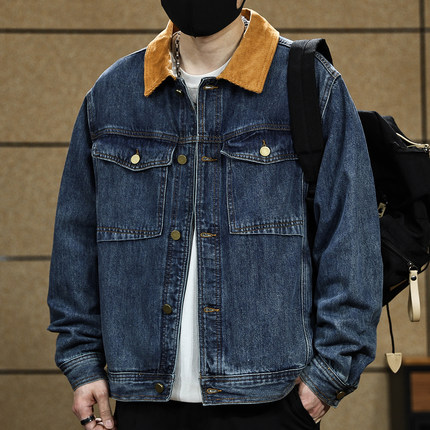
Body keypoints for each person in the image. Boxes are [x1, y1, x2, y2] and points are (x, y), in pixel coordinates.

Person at [47, 1, 383, 429]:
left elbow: (351, 242)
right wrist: (83, 363)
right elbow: (75, 244)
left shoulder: (307, 84)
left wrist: (326, 380)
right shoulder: (113, 94)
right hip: (141, 402)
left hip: (270, 403)